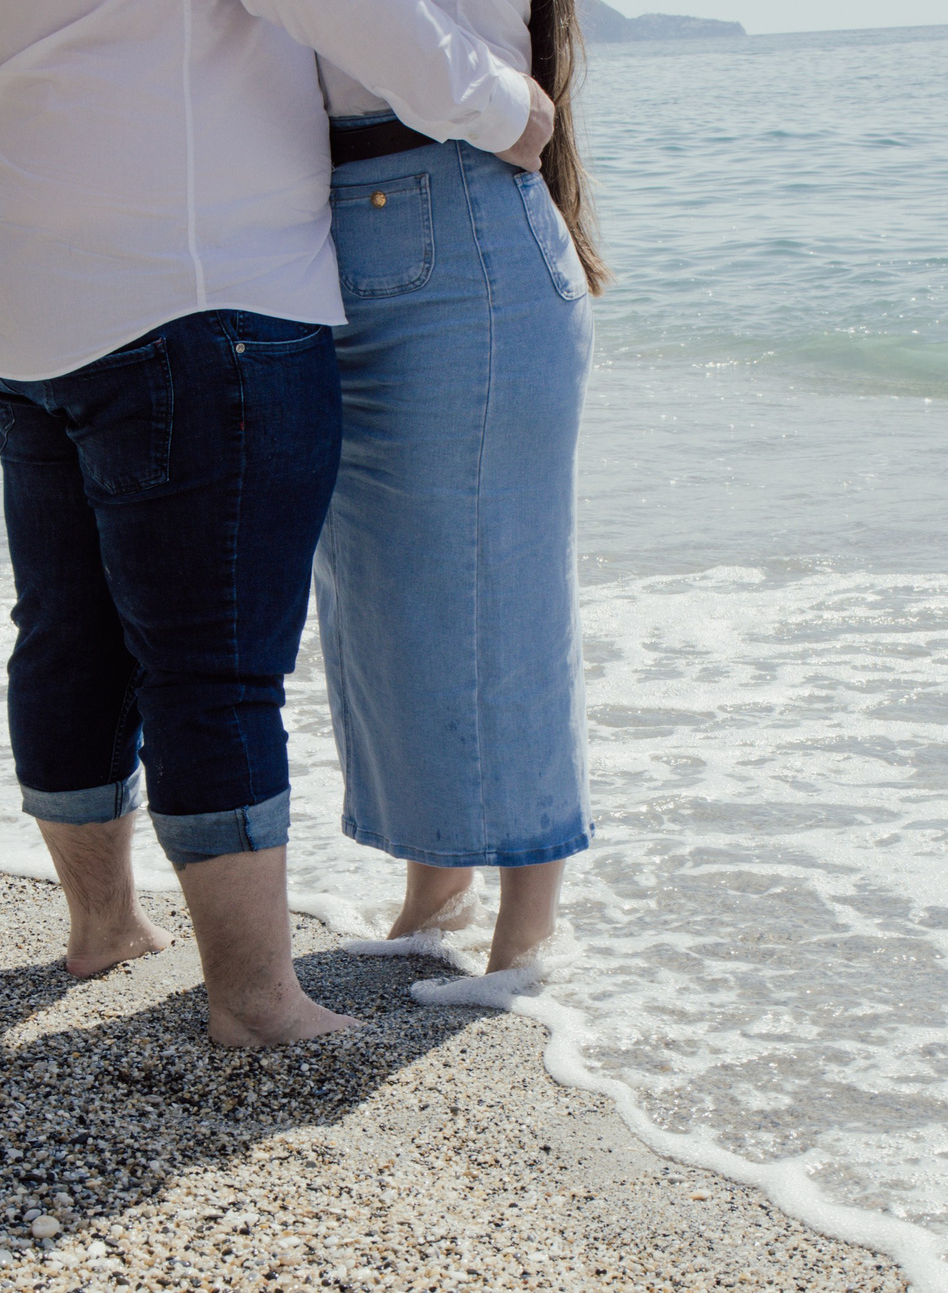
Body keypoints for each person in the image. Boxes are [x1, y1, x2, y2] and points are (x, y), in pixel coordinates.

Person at [0, 0, 556, 1046]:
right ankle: (256, 1000)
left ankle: (104, 925)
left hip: (11, 296)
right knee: (213, 668)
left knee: (68, 631)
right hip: (194, 290)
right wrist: (503, 110)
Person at [313, 0, 603, 975]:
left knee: (506, 596)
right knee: (378, 598)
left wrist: (500, 109)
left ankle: (530, 926)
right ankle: (436, 888)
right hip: (329, 236)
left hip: (462, 234)